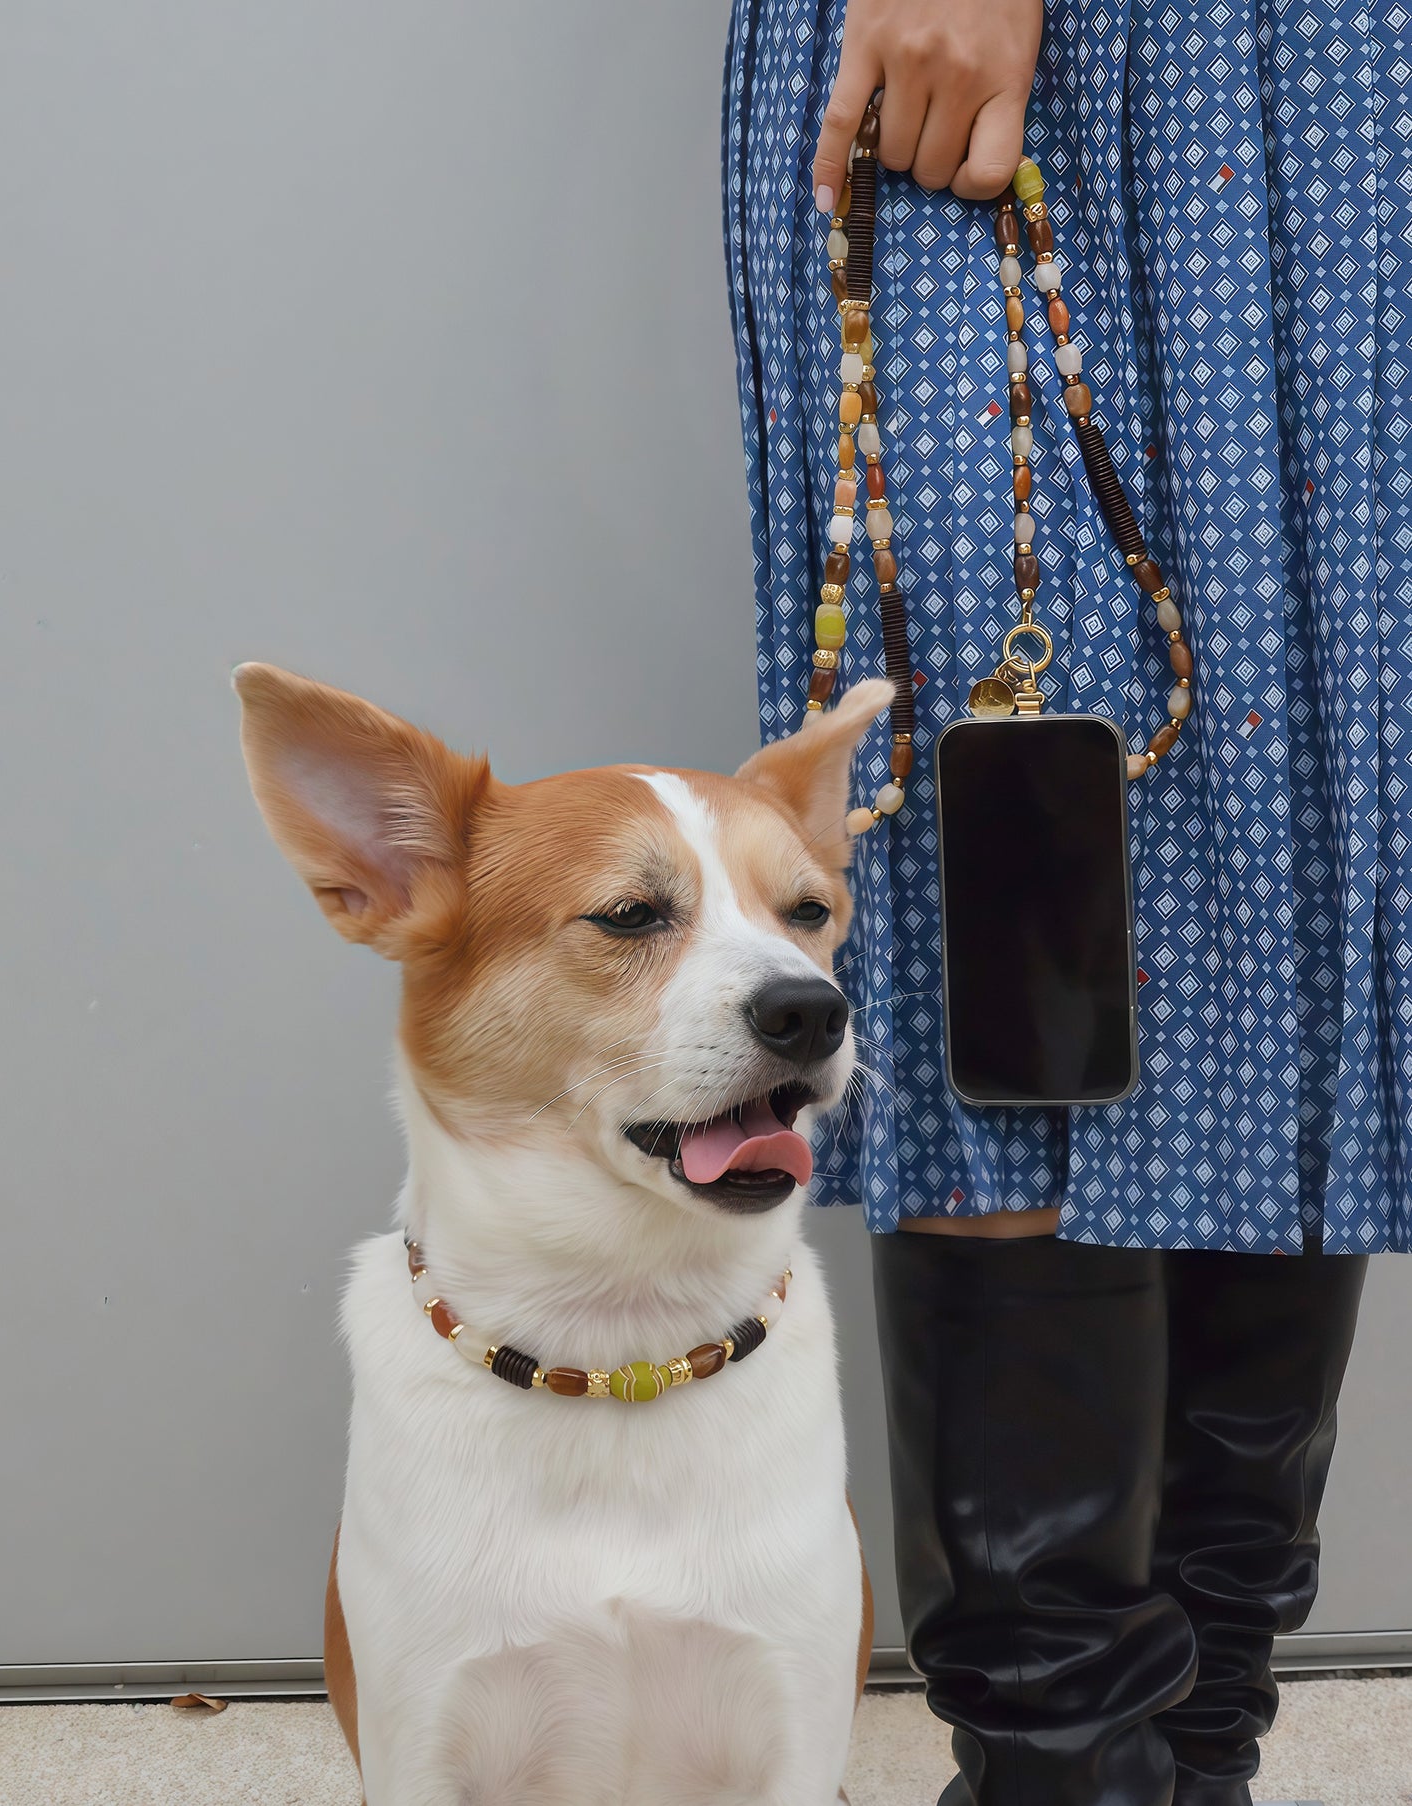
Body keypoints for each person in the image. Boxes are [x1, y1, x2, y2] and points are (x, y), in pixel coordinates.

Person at [723, 0, 1407, 1800]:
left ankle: (1188, 1749)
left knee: (1286, 814)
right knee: (994, 825)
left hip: (1339, 71)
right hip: (1029, 51)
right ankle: (1058, 1762)